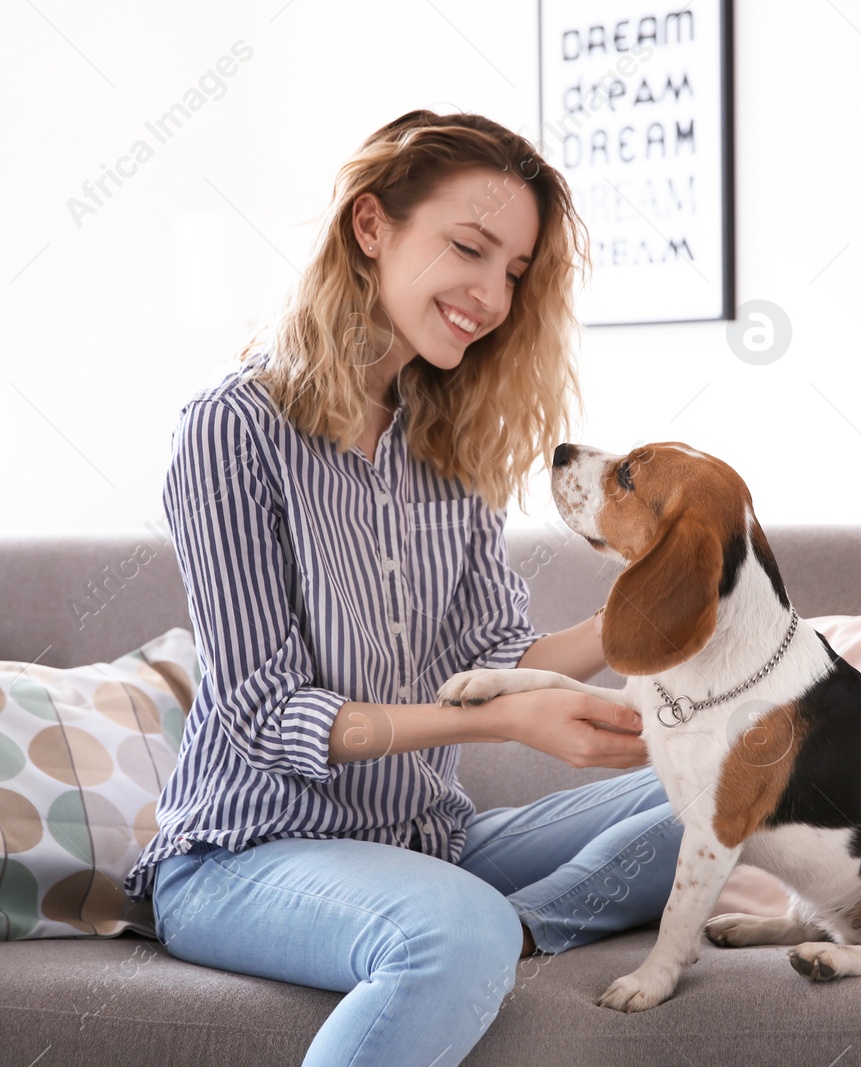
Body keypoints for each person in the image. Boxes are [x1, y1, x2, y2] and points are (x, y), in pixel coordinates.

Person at [122, 110, 685, 1066]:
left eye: (513, 271)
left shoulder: (447, 448)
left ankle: (492, 930)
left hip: (426, 842)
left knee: (719, 794)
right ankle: (468, 938)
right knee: (452, 932)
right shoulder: (231, 432)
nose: (493, 295)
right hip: (244, 857)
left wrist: (641, 602)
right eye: (469, 248)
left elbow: (500, 662)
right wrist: (505, 722)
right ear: (370, 227)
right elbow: (268, 713)